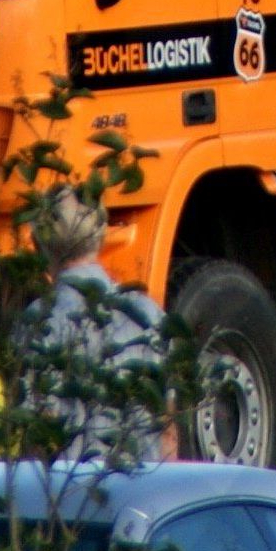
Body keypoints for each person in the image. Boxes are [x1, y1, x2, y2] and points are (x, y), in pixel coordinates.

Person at [27, 187, 166, 461]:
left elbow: (35, 428)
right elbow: (168, 428)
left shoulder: (37, 321)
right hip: (144, 479)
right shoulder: (148, 313)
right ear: (101, 236)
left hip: (70, 482)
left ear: (38, 243)